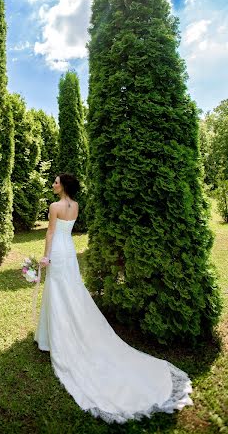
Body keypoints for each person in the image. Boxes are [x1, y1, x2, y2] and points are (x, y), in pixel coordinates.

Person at [34, 172, 193, 424]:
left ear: (62, 185)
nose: (52, 184)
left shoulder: (54, 206)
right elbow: (65, 231)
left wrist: (45, 257)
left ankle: (55, 337)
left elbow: (51, 233)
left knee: (58, 291)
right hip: (70, 253)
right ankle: (55, 332)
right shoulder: (75, 206)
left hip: (58, 251)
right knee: (70, 291)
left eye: (55, 181)